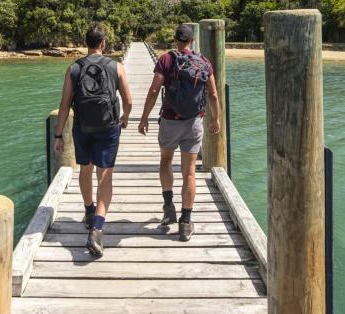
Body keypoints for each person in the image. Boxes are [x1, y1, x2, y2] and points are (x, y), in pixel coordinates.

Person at [53, 23, 132, 257]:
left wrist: (58, 135)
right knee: (105, 175)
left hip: (82, 128)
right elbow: (128, 101)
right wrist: (124, 118)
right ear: (104, 43)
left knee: (85, 170)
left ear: (85, 43)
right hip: (108, 127)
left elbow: (65, 105)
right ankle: (97, 227)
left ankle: (88, 211)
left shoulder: (74, 69)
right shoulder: (116, 67)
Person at [138, 24, 221, 241]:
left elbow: (155, 89)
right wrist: (216, 118)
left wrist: (145, 116)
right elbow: (212, 94)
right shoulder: (204, 62)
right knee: (190, 172)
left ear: (175, 40)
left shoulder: (166, 59)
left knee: (166, 160)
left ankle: (168, 206)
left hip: (169, 120)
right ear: (192, 41)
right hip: (194, 122)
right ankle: (186, 222)